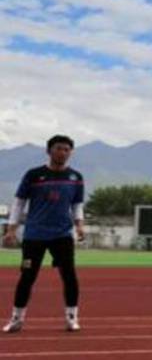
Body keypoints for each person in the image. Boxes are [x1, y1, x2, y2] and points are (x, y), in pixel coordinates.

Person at [2, 135, 86, 333]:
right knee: (27, 277)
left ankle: (72, 318)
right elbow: (19, 202)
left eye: (67, 149)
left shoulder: (75, 177)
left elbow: (77, 204)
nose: (63, 153)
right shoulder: (34, 175)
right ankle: (17, 319)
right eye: (58, 148)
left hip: (62, 234)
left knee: (69, 276)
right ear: (49, 151)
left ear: (71, 153)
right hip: (34, 235)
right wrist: (12, 228)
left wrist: (79, 225)